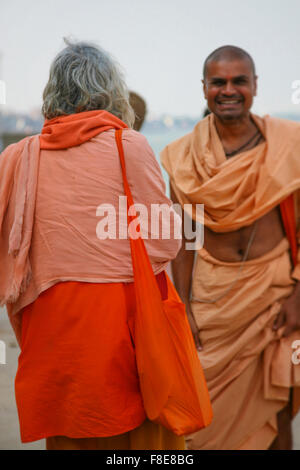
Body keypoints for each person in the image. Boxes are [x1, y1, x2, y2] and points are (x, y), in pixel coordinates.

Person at [0, 39, 186, 450]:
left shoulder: (19, 155)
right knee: (123, 435)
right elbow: (166, 243)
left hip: (47, 325)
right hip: (115, 321)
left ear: (53, 92)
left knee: (65, 433)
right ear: (111, 91)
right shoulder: (129, 145)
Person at [161, 45, 300, 450]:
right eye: (218, 82)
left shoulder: (288, 145)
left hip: (274, 293)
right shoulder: (183, 156)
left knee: (276, 408)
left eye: (239, 80)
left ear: (255, 86)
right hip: (212, 302)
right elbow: (186, 239)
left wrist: (298, 291)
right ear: (204, 88)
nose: (229, 90)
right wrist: (183, 307)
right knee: (203, 418)